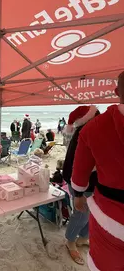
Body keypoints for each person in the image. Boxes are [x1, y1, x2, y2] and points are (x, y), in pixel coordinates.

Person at [71, 71, 124, 271]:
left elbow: (79, 172)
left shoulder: (93, 128)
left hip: (111, 215)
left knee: (106, 264)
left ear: (117, 91)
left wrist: (77, 194)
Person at [62, 105, 99, 265]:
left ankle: (83, 238)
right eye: (96, 114)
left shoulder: (89, 132)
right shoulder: (85, 135)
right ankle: (70, 241)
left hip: (87, 182)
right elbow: (78, 166)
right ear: (88, 118)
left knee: (88, 212)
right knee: (81, 213)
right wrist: (77, 194)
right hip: (80, 183)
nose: (100, 117)